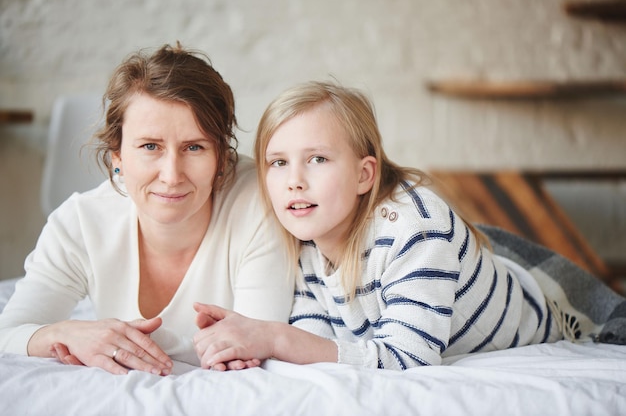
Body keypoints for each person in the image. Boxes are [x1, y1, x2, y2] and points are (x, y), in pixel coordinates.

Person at [193, 80, 626, 371]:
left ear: (365, 175)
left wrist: (274, 339)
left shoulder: (416, 227)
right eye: (278, 163)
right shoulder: (305, 233)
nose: (294, 180)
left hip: (533, 312)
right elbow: (314, 340)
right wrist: (250, 351)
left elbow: (408, 358)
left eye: (318, 159)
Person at [0, 43, 294, 375]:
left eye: (194, 147)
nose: (171, 176)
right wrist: (64, 333)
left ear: (221, 158)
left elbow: (258, 348)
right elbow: (9, 333)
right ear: (118, 157)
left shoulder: (260, 201)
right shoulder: (82, 222)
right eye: (150, 146)